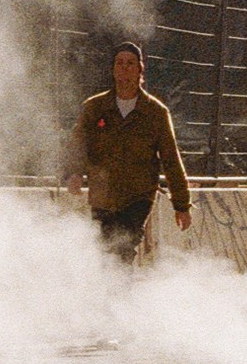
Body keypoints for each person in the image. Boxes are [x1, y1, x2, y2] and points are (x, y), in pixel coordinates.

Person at [68, 42, 193, 263]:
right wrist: (74, 173)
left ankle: (120, 285)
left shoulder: (155, 112)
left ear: (140, 70)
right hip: (102, 195)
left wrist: (181, 204)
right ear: (113, 69)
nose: (124, 68)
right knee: (105, 252)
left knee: (124, 248)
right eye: (120, 63)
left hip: (137, 197)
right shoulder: (95, 108)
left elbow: (171, 159)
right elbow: (78, 144)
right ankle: (114, 285)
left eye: (130, 63)